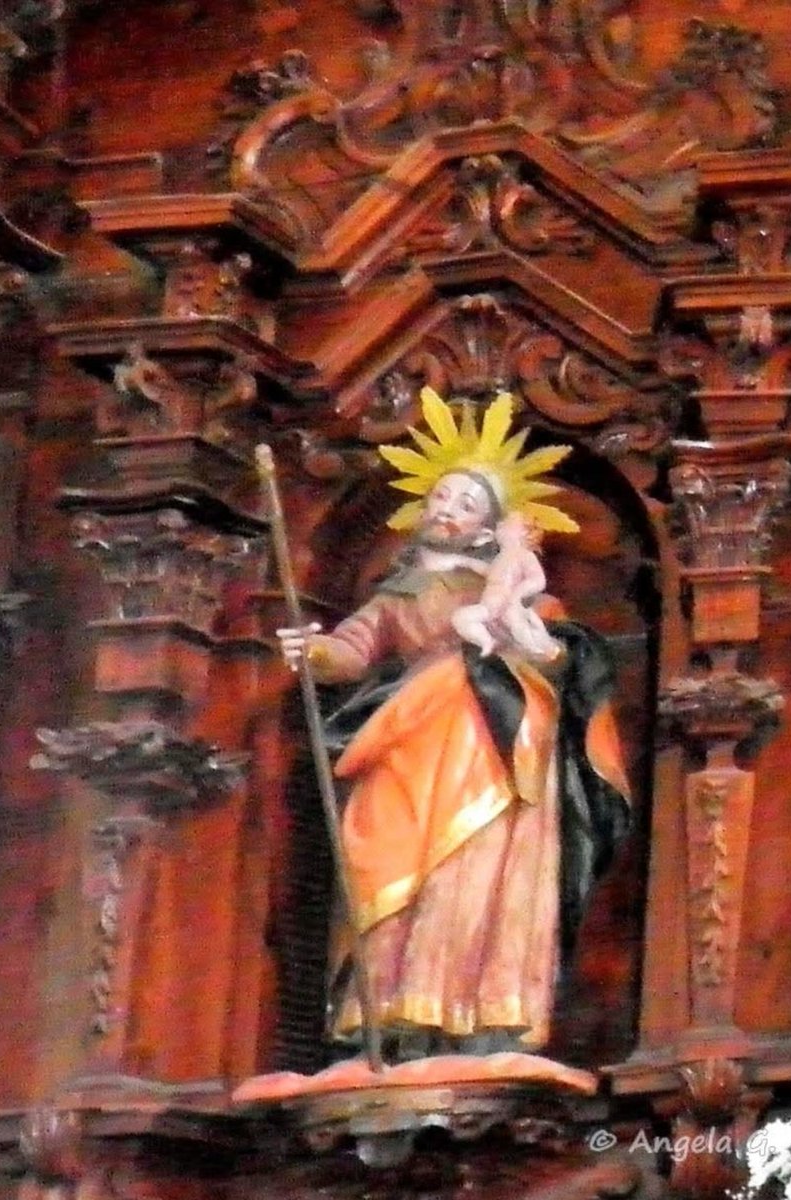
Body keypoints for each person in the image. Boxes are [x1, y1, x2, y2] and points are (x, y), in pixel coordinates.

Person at [278, 388, 630, 1059]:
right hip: (409, 737)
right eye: (440, 497)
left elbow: (558, 661)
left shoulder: (524, 591)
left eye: (466, 504)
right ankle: (393, 1016)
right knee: (386, 855)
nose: (447, 509)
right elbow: (350, 651)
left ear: (488, 526)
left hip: (498, 745)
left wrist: (535, 644)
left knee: (484, 866)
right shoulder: (397, 594)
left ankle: (483, 1012)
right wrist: (311, 650)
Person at [451, 509, 559, 660]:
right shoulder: (500, 557)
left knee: (518, 626)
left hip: (509, 605)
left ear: (525, 532)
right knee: (460, 617)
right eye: (501, 522)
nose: (500, 524)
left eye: (507, 522)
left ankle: (539, 650)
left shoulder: (524, 554)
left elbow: (538, 580)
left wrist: (517, 595)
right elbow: (490, 572)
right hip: (489, 607)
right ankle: (487, 641)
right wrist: (468, 562)